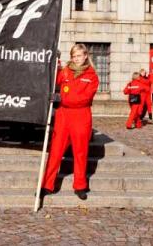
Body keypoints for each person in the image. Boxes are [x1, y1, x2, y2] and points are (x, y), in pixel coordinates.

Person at [41, 44, 99, 200]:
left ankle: (80, 186)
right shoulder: (66, 71)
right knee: (55, 152)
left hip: (81, 117)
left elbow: (84, 99)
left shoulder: (92, 75)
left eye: (79, 56)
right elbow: (53, 78)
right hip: (63, 117)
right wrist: (55, 61)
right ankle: (47, 184)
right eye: (74, 56)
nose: (76, 59)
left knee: (80, 153)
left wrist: (63, 98)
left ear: (86, 55)